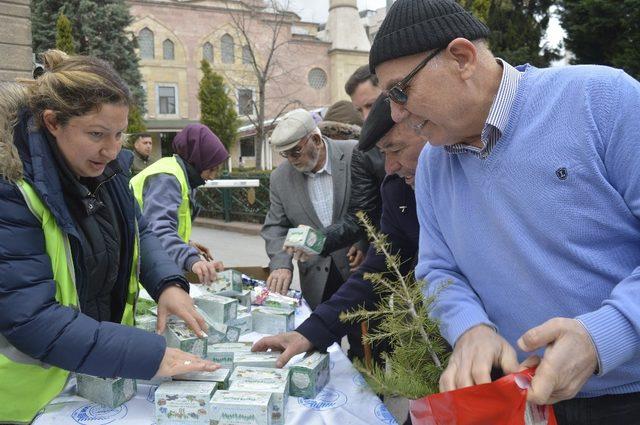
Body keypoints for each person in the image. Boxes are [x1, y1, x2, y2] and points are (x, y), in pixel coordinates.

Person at [370, 0, 640, 423]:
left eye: (400, 91)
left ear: (462, 58)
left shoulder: (601, 101)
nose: (396, 113)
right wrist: (469, 328)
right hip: (518, 400)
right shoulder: (432, 168)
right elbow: (439, 271)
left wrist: (604, 335)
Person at [0, 51, 216, 424]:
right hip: (29, 401)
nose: (112, 149)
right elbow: (29, 317)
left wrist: (167, 283)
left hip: (91, 376)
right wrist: (143, 354)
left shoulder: (108, 171)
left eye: (119, 134)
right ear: (53, 122)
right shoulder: (11, 189)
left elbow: (139, 230)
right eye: (97, 134)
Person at [130, 124, 228, 284]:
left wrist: (186, 244)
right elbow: (157, 231)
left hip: (147, 263)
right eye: (211, 170)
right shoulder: (167, 177)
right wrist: (191, 259)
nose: (212, 176)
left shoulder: (181, 174)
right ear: (197, 161)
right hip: (139, 269)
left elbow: (159, 222)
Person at [314, 66, 387, 269]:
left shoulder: (430, 135)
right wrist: (315, 241)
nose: (366, 117)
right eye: (359, 110)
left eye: (371, 105)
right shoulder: (363, 151)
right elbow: (362, 217)